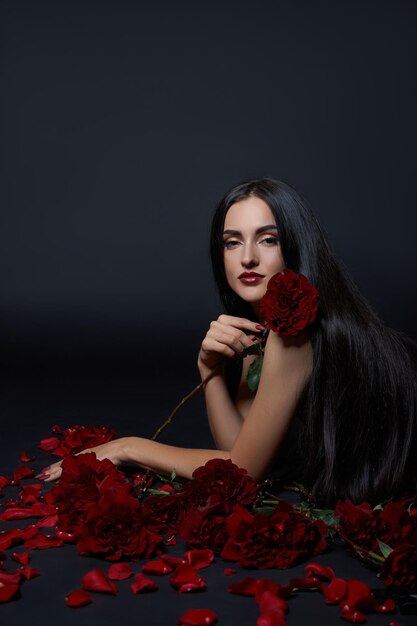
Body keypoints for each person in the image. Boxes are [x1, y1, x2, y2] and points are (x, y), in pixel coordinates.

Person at [40, 178, 417, 505]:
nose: (248, 258)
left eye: (268, 240)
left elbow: (244, 472)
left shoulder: (294, 333)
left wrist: (127, 447)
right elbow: (237, 447)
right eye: (232, 242)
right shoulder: (265, 326)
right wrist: (209, 369)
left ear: (297, 247)